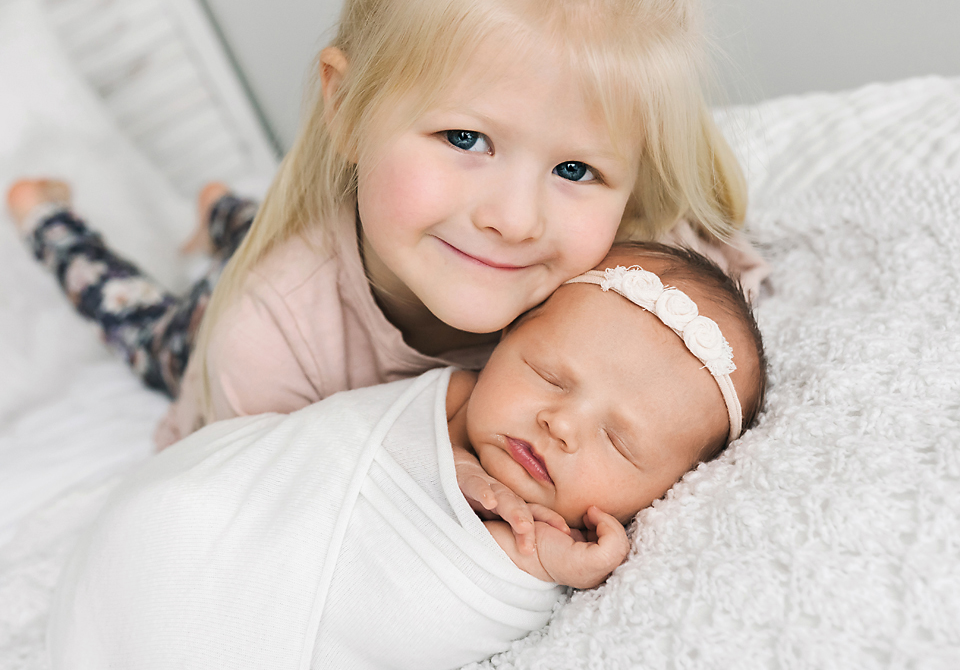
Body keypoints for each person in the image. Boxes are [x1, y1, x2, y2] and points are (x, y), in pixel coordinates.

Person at [7, 0, 768, 548]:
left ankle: (223, 211)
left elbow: (713, 307)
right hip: (210, 321)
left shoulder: (625, 277)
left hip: (336, 241)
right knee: (142, 320)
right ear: (345, 108)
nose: (513, 219)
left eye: (575, 170)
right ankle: (47, 216)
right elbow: (252, 522)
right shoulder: (266, 342)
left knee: (255, 224)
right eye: (465, 138)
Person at [48, 243, 767, 670]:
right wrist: (453, 466)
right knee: (204, 299)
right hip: (185, 516)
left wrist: (561, 563)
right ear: (503, 341)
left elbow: (446, 590)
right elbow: (377, 444)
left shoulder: (550, 540)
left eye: (618, 441)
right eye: (547, 374)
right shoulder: (445, 397)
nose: (561, 423)